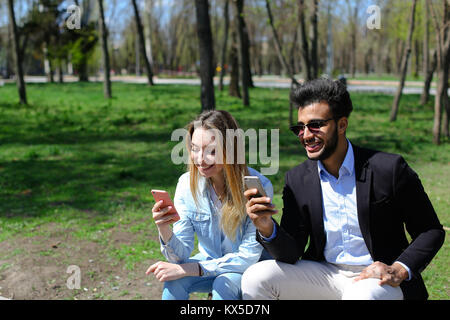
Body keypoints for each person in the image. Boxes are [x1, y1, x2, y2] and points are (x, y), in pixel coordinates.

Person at [241, 78, 445, 300]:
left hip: (378, 278)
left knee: (361, 296)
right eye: (300, 127)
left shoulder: (389, 169)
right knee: (256, 277)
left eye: (315, 125)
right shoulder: (297, 179)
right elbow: (292, 253)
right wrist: (267, 227)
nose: (306, 135)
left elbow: (430, 230)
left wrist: (399, 269)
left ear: (341, 125)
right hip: (324, 274)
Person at [146, 110, 273, 300]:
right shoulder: (186, 185)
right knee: (173, 281)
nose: (200, 159)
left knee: (224, 284)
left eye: (211, 151)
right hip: (207, 263)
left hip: (246, 271)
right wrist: (164, 228)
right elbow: (179, 257)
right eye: (195, 149)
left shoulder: (258, 187)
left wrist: (193, 268)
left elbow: (247, 257)